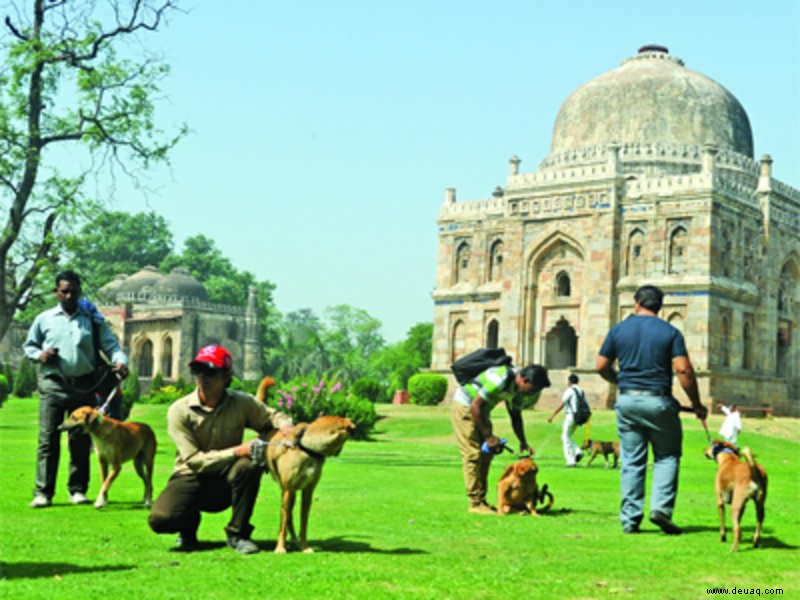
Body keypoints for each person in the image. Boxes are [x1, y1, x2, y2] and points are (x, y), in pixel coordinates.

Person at [147, 345, 292, 554]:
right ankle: (188, 524)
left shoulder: (242, 402)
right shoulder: (179, 410)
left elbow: (273, 416)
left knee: (250, 465)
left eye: (211, 372)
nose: (203, 378)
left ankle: (238, 534)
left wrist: (286, 427)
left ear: (226, 376)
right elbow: (195, 461)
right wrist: (236, 451)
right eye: (198, 371)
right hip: (190, 476)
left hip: (227, 477)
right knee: (161, 520)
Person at [597, 285, 707, 535]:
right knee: (666, 456)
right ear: (661, 306)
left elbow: (601, 365)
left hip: (627, 401)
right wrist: (697, 404)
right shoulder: (669, 332)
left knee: (632, 460)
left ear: (636, 302)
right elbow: (683, 371)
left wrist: (620, 381)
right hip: (657, 401)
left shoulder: (619, 330)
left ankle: (630, 519)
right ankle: (660, 510)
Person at [22, 270, 129, 508]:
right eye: (64, 291)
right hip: (53, 385)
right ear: (56, 292)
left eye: (74, 291)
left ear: (80, 292)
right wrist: (40, 355)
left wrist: (120, 361)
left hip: (83, 385)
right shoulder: (45, 319)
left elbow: (111, 345)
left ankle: (78, 489)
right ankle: (43, 492)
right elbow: (29, 346)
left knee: (79, 439)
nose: (69, 295)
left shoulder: (91, 319)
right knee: (48, 438)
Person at [450, 362, 550, 514]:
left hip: (482, 411)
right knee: (473, 454)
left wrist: (523, 442)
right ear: (524, 380)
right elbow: (475, 406)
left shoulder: (518, 390)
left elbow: (515, 415)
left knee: (487, 454)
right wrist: (489, 437)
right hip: (466, 405)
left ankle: (481, 500)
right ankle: (475, 503)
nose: (533, 394)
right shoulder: (501, 378)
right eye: (533, 389)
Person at [547, 373, 584, 467]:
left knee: (565, 437)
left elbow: (562, 403)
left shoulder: (570, 390)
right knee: (567, 436)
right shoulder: (581, 390)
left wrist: (553, 415)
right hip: (579, 416)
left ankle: (571, 461)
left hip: (571, 415)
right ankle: (577, 452)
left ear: (569, 381)